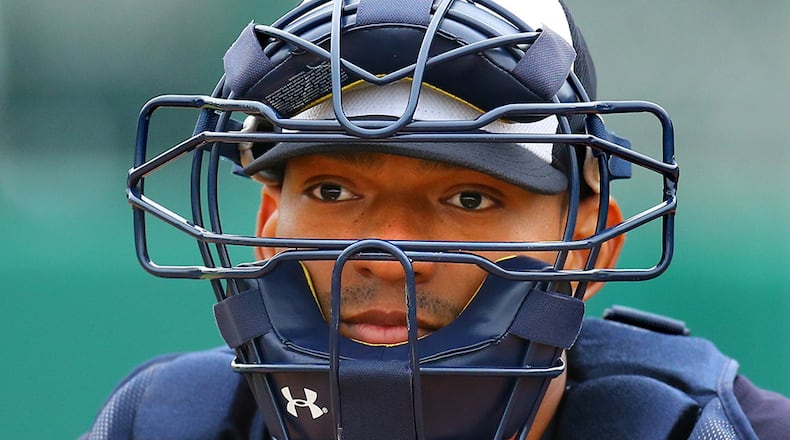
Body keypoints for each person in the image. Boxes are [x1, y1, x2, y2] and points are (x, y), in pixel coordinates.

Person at [84, 0, 790, 439]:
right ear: (269, 222)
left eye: (470, 198)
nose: (387, 250)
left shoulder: (720, 432)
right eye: (333, 191)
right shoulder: (159, 425)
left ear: (589, 248)